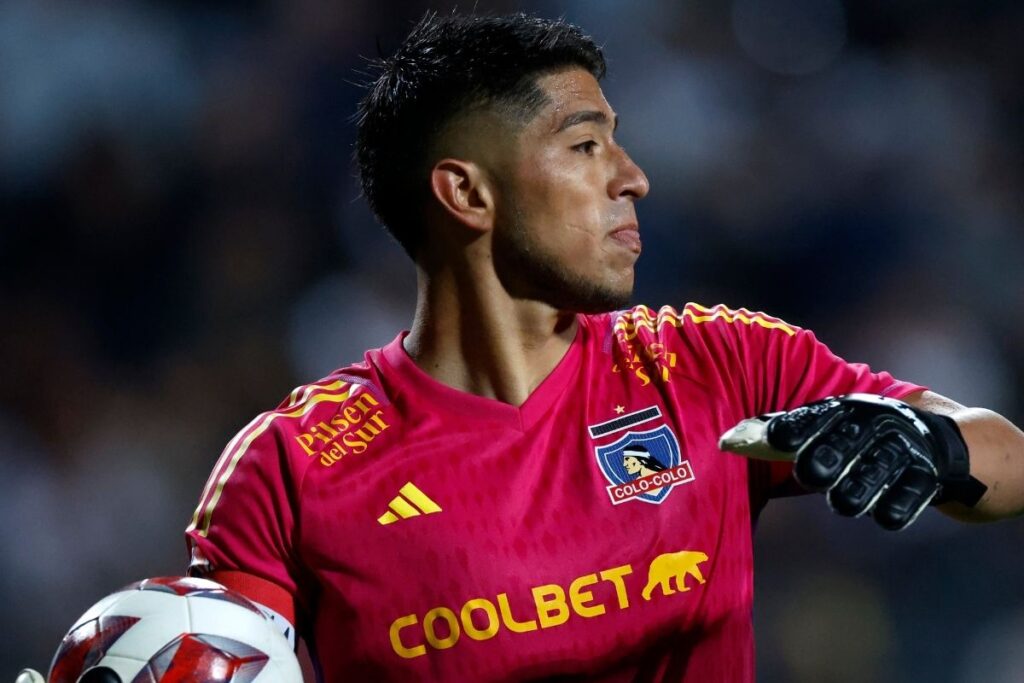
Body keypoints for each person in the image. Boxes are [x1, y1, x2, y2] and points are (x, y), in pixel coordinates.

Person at [182, 12, 1024, 682]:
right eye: (586, 145)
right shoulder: (295, 466)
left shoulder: (717, 364)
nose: (632, 175)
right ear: (467, 192)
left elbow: (1009, 461)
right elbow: (206, 655)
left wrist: (932, 441)